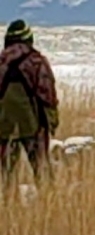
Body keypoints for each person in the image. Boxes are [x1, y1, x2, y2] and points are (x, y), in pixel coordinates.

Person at [0, 19, 59, 191]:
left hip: (3, 125)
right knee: (41, 168)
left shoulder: (1, 61)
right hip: (33, 124)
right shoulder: (36, 61)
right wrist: (52, 120)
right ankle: (48, 206)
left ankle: (6, 209)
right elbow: (47, 94)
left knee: (5, 175)